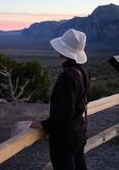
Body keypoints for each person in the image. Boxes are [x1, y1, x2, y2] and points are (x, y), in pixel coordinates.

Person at [30, 28, 91, 170]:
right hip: (79, 134)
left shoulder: (67, 76)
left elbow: (66, 112)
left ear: (64, 51)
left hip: (65, 139)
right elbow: (82, 102)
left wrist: (44, 124)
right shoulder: (84, 72)